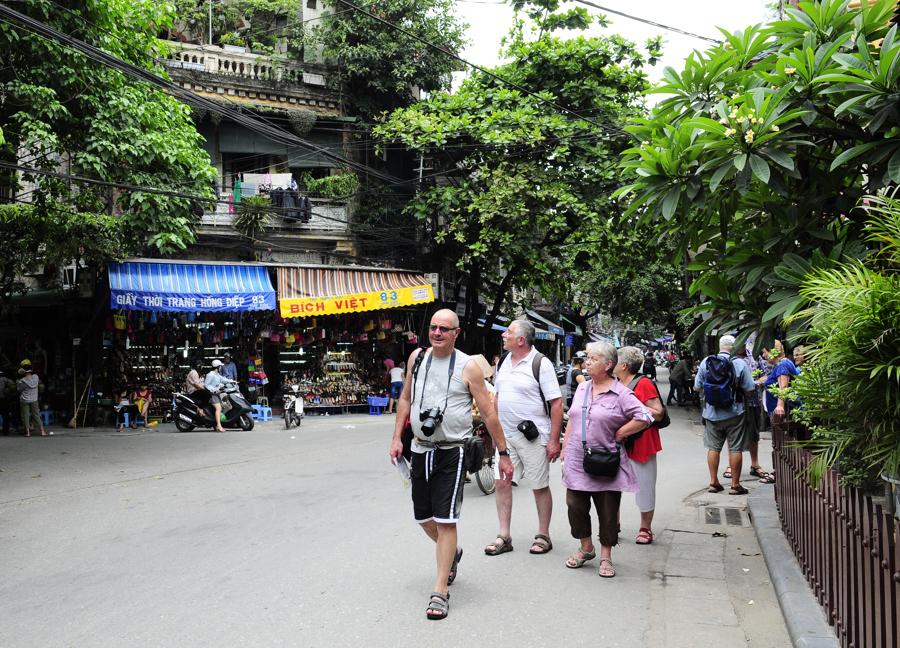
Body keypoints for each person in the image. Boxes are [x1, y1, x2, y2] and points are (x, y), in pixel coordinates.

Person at [389, 309, 513, 620]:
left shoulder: (468, 367)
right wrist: (397, 438)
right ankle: (453, 551)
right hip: (419, 449)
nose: (437, 333)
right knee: (423, 518)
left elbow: (488, 412)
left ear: (456, 333)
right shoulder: (416, 357)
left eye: (444, 328)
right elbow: (405, 398)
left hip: (452, 451)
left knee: (445, 522)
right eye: (433, 327)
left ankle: (440, 589)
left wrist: (503, 452)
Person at [560, 341, 651, 578]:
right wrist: (564, 446)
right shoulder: (582, 388)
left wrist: (621, 433)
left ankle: (606, 556)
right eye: (587, 358)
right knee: (575, 506)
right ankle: (586, 547)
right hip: (577, 458)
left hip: (607, 460)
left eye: (593, 359)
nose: (586, 363)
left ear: (608, 364)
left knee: (607, 510)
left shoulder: (621, 392)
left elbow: (644, 416)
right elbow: (572, 417)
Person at [485, 320, 564, 558]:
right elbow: (497, 397)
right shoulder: (504, 362)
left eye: (508, 331)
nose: (503, 334)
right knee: (502, 482)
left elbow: (557, 403)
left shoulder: (541, 363)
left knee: (538, 486)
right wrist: (495, 432)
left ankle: (543, 535)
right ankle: (504, 535)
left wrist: (553, 441)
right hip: (506, 437)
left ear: (521, 339)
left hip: (533, 436)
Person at [615, 346, 665, 545]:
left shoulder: (644, 383)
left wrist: (633, 405)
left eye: (615, 361)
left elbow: (658, 412)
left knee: (644, 486)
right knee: (612, 486)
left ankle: (645, 528)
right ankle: (613, 524)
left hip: (642, 442)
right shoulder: (615, 382)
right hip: (618, 442)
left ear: (624, 366)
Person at [694, 335, 756, 495]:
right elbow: (750, 389)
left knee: (713, 448)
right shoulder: (739, 363)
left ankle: (714, 483)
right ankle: (735, 485)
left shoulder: (706, 362)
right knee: (735, 448)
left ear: (720, 346)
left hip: (712, 413)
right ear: (734, 347)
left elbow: (697, 388)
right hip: (735, 413)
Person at [735, 344, 773, 484]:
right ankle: (731, 465)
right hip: (736, 402)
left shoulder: (754, 355)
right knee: (734, 433)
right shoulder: (730, 358)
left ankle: (755, 464)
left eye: (742, 344)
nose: (740, 347)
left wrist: (755, 384)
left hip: (754, 401)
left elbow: (766, 375)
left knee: (753, 433)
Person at [765, 340, 802, 441]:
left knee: (785, 444)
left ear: (773, 351)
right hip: (783, 413)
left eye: (765, 352)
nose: (764, 355)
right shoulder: (783, 364)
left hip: (785, 414)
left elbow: (784, 385)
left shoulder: (783, 364)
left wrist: (780, 406)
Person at [205, 359, 236, 433]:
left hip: (216, 395)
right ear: (217, 367)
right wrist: (214, 389)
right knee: (218, 408)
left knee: (220, 408)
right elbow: (206, 385)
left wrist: (232, 381)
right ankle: (218, 425)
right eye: (220, 366)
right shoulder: (210, 375)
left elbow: (223, 379)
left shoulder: (217, 375)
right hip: (212, 395)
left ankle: (215, 423)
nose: (221, 367)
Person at [17, 360, 45, 437]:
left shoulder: (22, 381)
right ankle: (42, 431)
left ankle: (28, 433)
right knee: (36, 415)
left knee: (25, 416)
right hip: (34, 399)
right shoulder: (36, 377)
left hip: (24, 400)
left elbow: (19, 390)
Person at [0, 369, 14, 436]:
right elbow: (12, 383)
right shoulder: (4, 379)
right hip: (3, 399)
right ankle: (6, 431)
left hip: (3, 399)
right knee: (5, 416)